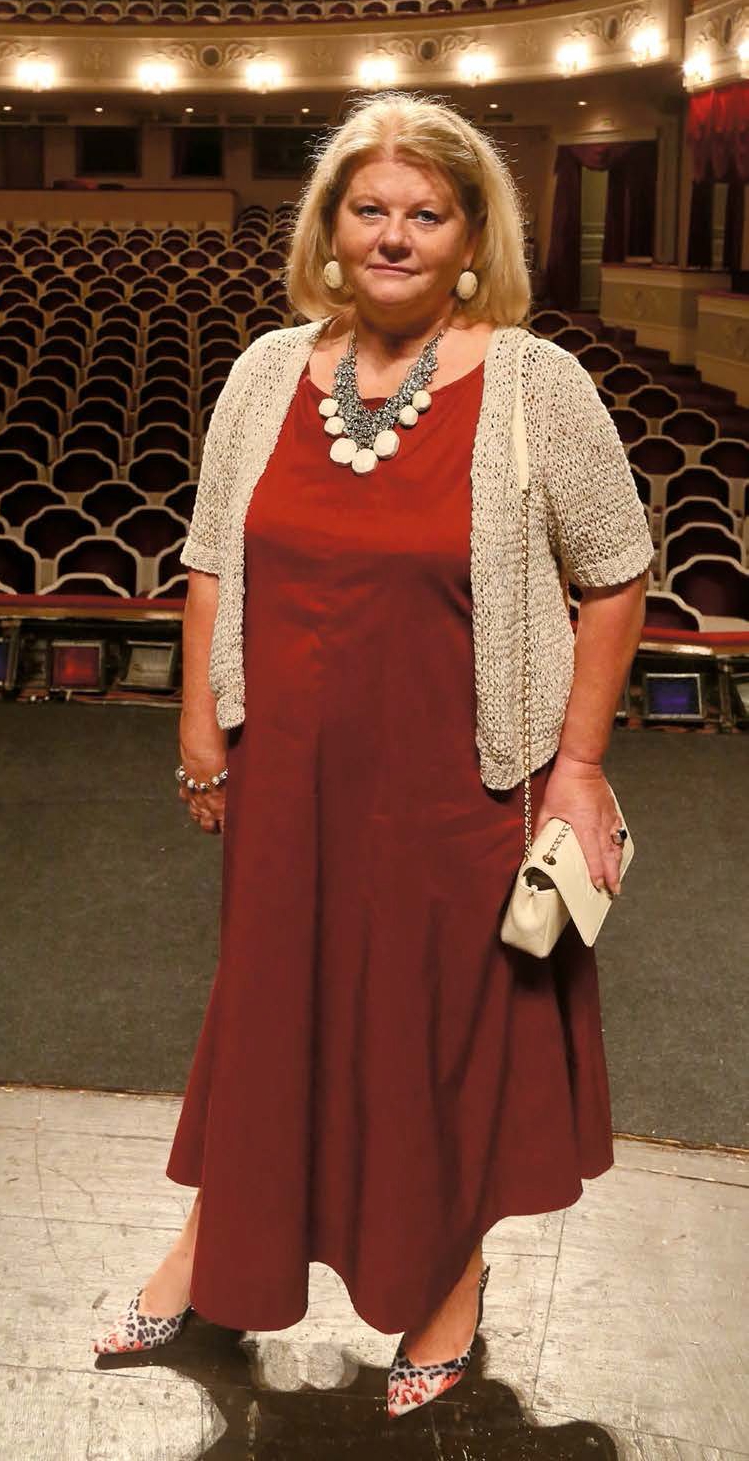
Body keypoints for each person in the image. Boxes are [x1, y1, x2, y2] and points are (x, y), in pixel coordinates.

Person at [93, 91, 654, 1418]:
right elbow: (213, 559)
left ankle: (449, 1282)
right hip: (289, 778)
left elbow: (619, 575)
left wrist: (577, 767)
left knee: (440, 1041)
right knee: (270, 1017)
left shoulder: (535, 385)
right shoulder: (264, 373)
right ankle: (210, 1254)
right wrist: (198, 727)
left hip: (463, 782)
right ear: (331, 229)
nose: (394, 236)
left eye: (427, 214)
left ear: (471, 240)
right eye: (370, 210)